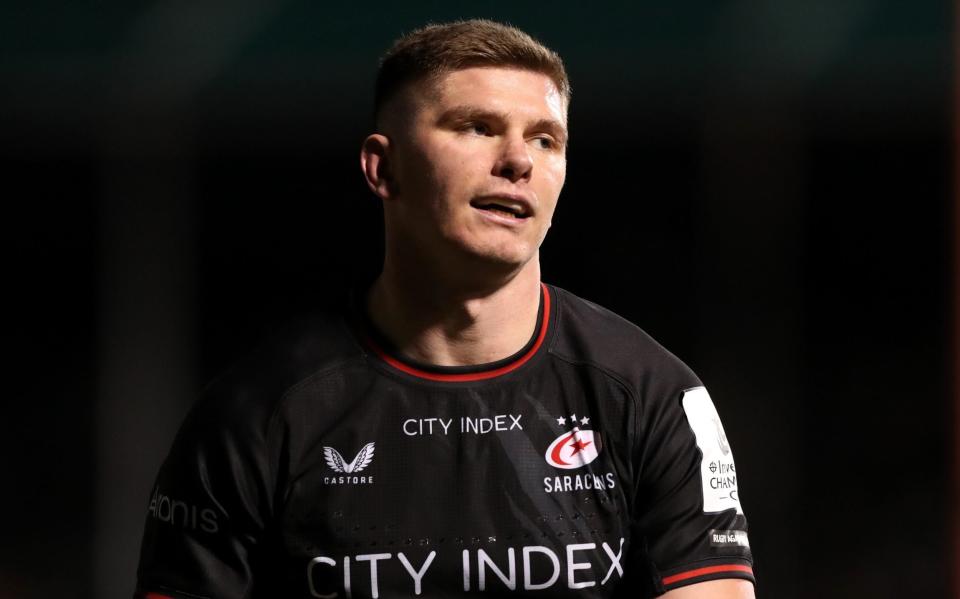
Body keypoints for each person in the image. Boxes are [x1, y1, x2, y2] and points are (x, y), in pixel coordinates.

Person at [134, 19, 756, 599]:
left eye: (545, 139)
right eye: (476, 128)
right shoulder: (258, 412)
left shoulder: (650, 394)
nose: (517, 161)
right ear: (383, 167)